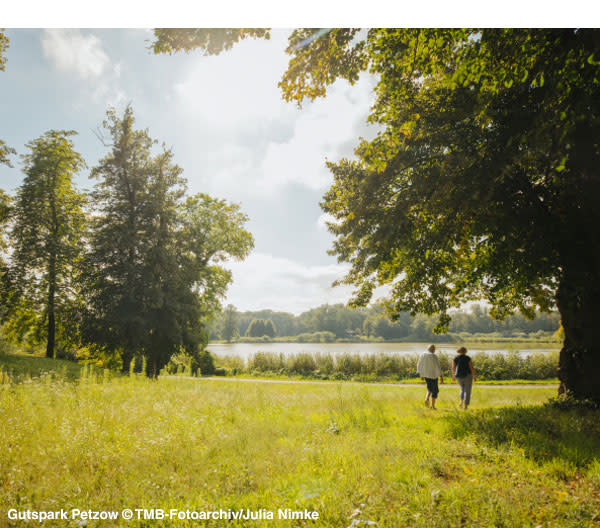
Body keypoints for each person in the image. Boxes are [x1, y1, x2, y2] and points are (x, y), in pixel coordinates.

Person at [417, 344, 444, 409]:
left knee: (429, 388)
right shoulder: (433, 356)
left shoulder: (423, 354)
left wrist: (421, 374)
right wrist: (441, 376)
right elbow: (437, 366)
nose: (434, 350)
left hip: (426, 375)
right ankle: (433, 406)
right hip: (433, 375)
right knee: (435, 391)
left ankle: (426, 398)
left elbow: (419, 364)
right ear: (433, 349)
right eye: (434, 349)